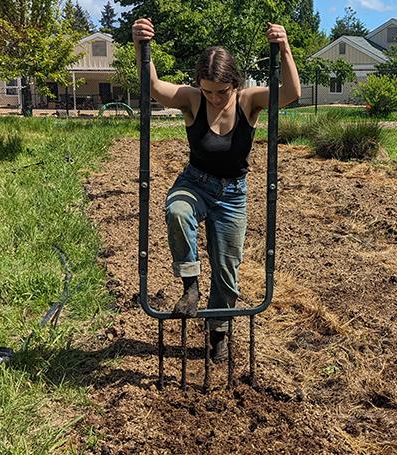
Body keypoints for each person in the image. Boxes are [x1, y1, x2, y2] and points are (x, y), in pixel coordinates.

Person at [132, 18, 300, 362]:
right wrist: (140, 46)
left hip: (233, 194)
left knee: (226, 269)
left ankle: (219, 332)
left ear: (234, 84)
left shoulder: (248, 101)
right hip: (195, 183)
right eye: (207, 90)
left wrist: (284, 49)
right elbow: (153, 88)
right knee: (177, 210)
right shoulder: (192, 99)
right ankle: (190, 286)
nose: (213, 97)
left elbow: (291, 94)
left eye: (220, 92)